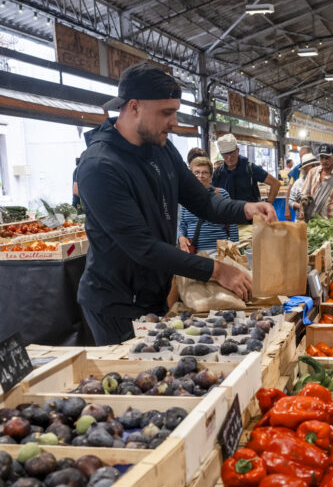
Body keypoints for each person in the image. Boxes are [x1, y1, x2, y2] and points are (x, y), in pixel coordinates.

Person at [77, 62, 275, 345]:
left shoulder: (162, 149)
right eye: (166, 113)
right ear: (134, 107)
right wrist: (217, 271)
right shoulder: (100, 167)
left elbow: (204, 202)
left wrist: (247, 209)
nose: (174, 122)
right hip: (116, 304)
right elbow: (143, 248)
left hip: (153, 295)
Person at [178, 156, 240, 252]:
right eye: (196, 172)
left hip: (219, 250)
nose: (200, 176)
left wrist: (234, 246)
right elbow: (182, 225)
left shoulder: (222, 194)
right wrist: (181, 237)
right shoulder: (186, 197)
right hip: (194, 252)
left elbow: (232, 223)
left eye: (205, 172)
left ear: (211, 176)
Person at [213, 134, 280, 206]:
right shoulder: (218, 172)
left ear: (237, 150)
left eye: (232, 154)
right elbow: (212, 192)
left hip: (248, 215)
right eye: (225, 155)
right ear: (221, 154)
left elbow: (275, 183)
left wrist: (268, 204)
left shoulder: (250, 168)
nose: (229, 158)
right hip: (226, 214)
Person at [300, 147, 333, 222]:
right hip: (314, 222)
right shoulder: (312, 173)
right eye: (322, 158)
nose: (324, 161)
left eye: (327, 158)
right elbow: (304, 195)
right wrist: (302, 210)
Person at [285, 152, 317, 219]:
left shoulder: (320, 181)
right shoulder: (298, 183)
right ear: (305, 168)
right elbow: (291, 201)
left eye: (316, 165)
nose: (315, 168)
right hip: (301, 220)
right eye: (312, 166)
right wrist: (302, 207)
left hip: (317, 220)